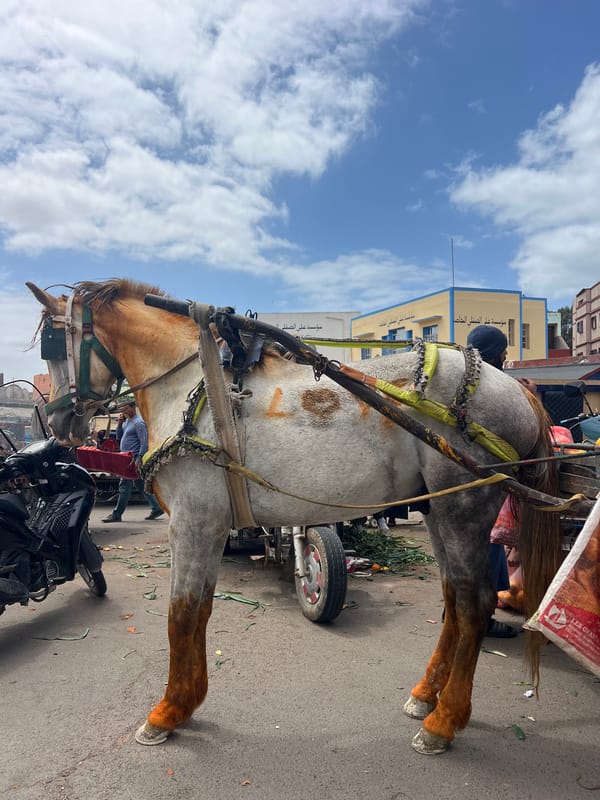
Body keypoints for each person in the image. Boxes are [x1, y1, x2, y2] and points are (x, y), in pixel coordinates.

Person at [466, 324, 519, 638]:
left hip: (466, 482)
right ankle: (479, 620)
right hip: (483, 483)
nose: (505, 356)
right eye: (503, 351)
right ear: (494, 353)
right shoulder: (496, 385)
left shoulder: (465, 381)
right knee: (484, 550)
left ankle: (458, 611)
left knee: (470, 548)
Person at [101, 400, 164, 523]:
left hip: (132, 458)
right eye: (122, 410)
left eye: (125, 409)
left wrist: (139, 458)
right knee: (140, 485)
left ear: (132, 408)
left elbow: (144, 442)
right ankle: (156, 507)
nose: (123, 412)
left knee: (124, 485)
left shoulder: (139, 423)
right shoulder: (127, 422)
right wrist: (119, 425)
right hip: (126, 457)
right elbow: (119, 437)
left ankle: (117, 514)